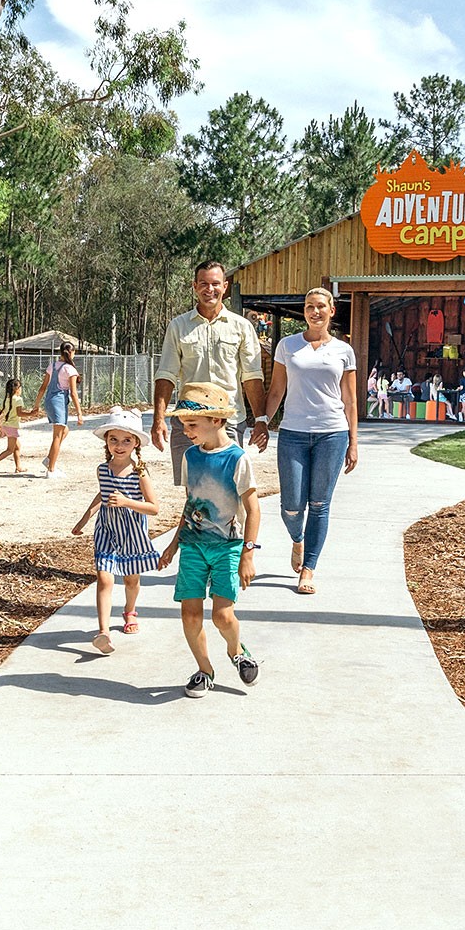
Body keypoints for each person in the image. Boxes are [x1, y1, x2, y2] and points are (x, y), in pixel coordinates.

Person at [156, 382, 261, 698]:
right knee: (189, 614)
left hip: (227, 547)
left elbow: (253, 509)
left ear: (216, 420)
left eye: (192, 424)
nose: (185, 431)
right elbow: (191, 504)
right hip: (192, 545)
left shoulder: (237, 459)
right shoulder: (190, 456)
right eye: (183, 425)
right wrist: (173, 544)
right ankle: (205, 670)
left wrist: (248, 554)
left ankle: (236, 651)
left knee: (222, 616)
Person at [264, 288, 359, 594]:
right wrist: (263, 421)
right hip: (292, 433)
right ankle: (298, 539)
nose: (315, 311)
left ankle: (308, 569)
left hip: (332, 434)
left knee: (319, 504)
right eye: (309, 306)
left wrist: (353, 441)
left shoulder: (344, 351)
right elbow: (276, 390)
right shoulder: (287, 346)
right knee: (291, 506)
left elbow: (350, 400)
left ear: (331, 311)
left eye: (320, 306)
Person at [151, 260, 268, 487]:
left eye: (215, 283)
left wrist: (261, 420)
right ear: (195, 286)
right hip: (188, 422)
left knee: (229, 490)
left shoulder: (242, 327)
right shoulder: (178, 326)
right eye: (203, 284)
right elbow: (166, 374)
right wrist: (158, 419)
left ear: (225, 286)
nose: (210, 289)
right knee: (194, 492)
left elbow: (252, 377)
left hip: (228, 422)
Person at [70, 407, 160, 654]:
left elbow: (154, 508)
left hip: (132, 531)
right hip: (107, 529)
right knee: (104, 578)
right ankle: (104, 632)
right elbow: (103, 494)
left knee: (131, 579)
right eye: (114, 440)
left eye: (126, 440)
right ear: (106, 441)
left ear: (136, 443)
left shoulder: (140, 472)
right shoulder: (103, 469)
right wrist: (85, 518)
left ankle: (130, 611)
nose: (119, 446)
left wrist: (127, 502)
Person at [34, 341, 84, 478]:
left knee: (64, 431)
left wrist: (36, 404)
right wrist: (79, 413)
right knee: (57, 435)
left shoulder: (52, 366)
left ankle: (50, 458)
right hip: (59, 402)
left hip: (49, 401)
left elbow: (43, 387)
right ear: (71, 352)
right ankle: (51, 470)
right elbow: (73, 393)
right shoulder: (70, 369)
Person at [0, 378, 39, 474]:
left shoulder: (6, 400)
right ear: (17, 389)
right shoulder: (18, 399)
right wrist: (31, 414)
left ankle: (18, 467)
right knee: (10, 450)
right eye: (20, 387)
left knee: (17, 446)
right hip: (12, 427)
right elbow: (19, 413)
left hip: (6, 426)